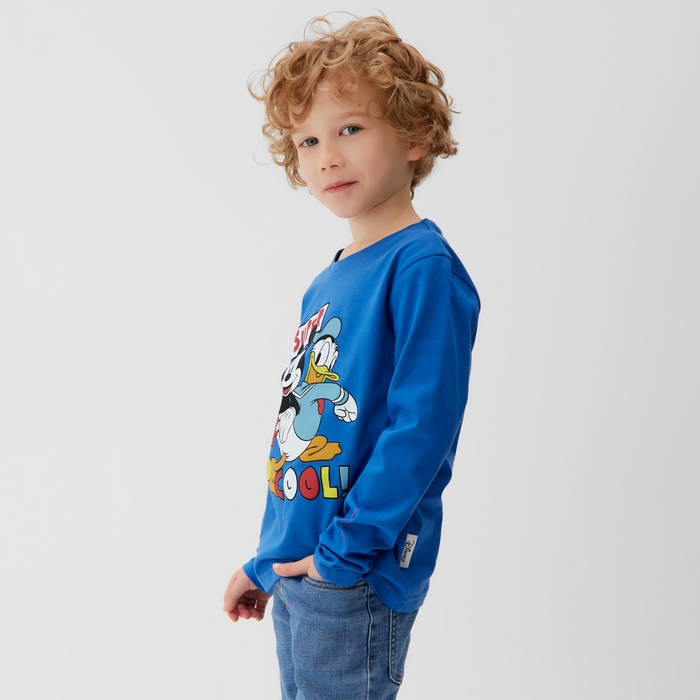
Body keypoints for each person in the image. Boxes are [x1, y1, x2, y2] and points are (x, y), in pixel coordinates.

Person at [223, 14, 480, 699]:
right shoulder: (328, 280)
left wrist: (342, 556)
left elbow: (420, 429)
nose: (326, 157)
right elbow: (302, 432)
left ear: (415, 134)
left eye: (350, 129)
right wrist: (267, 561)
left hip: (354, 572)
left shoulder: (421, 266)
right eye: (308, 140)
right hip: (305, 567)